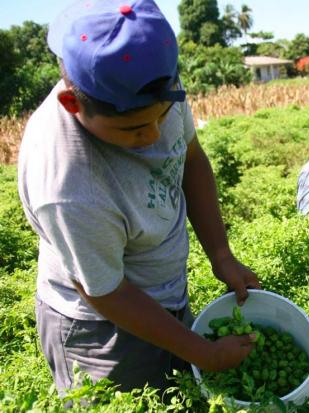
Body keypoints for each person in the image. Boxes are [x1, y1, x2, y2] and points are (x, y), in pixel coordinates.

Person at [17, 0, 260, 394]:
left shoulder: (155, 82)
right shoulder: (66, 184)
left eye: (162, 116)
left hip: (163, 299)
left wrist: (221, 254)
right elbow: (106, 292)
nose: (152, 136)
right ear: (72, 104)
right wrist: (207, 354)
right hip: (102, 328)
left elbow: (191, 159)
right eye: (131, 130)